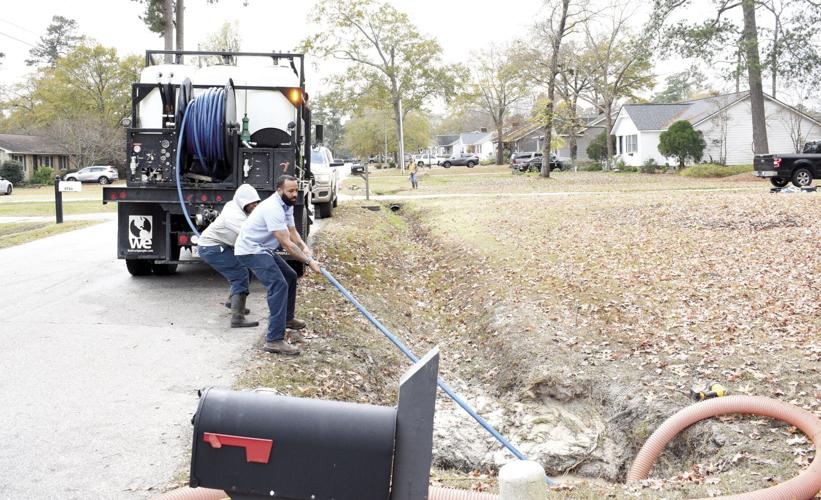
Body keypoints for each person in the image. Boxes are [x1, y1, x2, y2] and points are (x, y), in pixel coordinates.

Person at [235, 175, 322, 355]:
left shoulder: (287, 204)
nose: (294, 194)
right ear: (279, 190)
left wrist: (304, 247)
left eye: (296, 190)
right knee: (278, 284)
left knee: (290, 276)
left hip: (263, 249)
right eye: (290, 191)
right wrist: (309, 262)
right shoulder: (273, 208)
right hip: (250, 250)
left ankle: (287, 319)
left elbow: (292, 232)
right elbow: (287, 244)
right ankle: (274, 339)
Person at [197, 183, 261, 328]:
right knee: (240, 274)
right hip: (211, 247)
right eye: (252, 203)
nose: (255, 206)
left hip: (220, 245)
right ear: (243, 202)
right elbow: (252, 235)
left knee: (246, 268)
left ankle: (233, 302)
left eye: (256, 202)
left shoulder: (235, 205)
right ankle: (237, 318)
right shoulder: (235, 216)